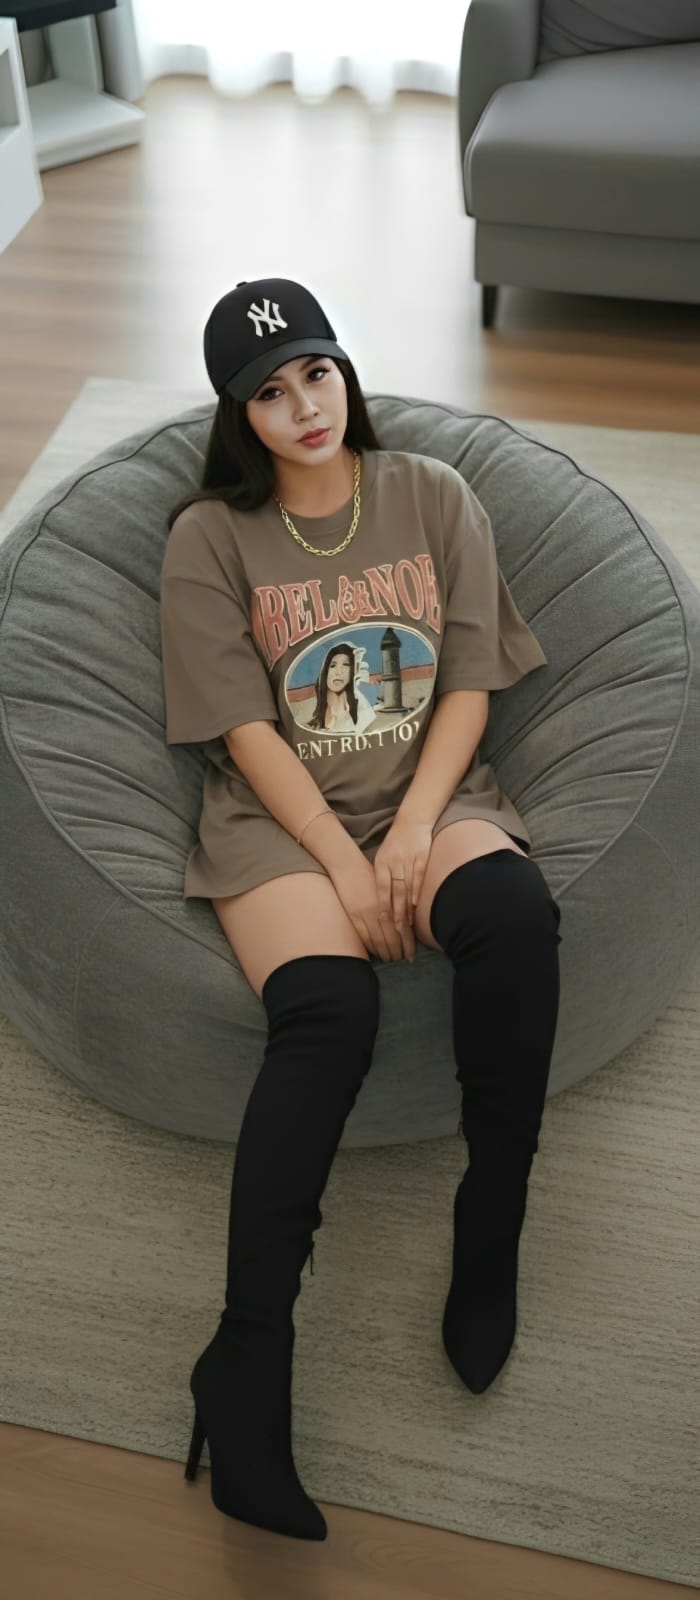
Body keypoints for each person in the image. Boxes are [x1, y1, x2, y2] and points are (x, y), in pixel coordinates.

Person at [159, 277, 562, 1544]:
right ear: (241, 416)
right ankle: (246, 1360)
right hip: (279, 825)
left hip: (430, 792)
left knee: (513, 919)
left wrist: (418, 832)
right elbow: (241, 727)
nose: (303, 406)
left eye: (317, 373)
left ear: (344, 371)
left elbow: (469, 683)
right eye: (269, 393)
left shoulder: (432, 495)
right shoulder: (207, 538)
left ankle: (489, 1218)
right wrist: (343, 859)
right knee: (328, 1014)